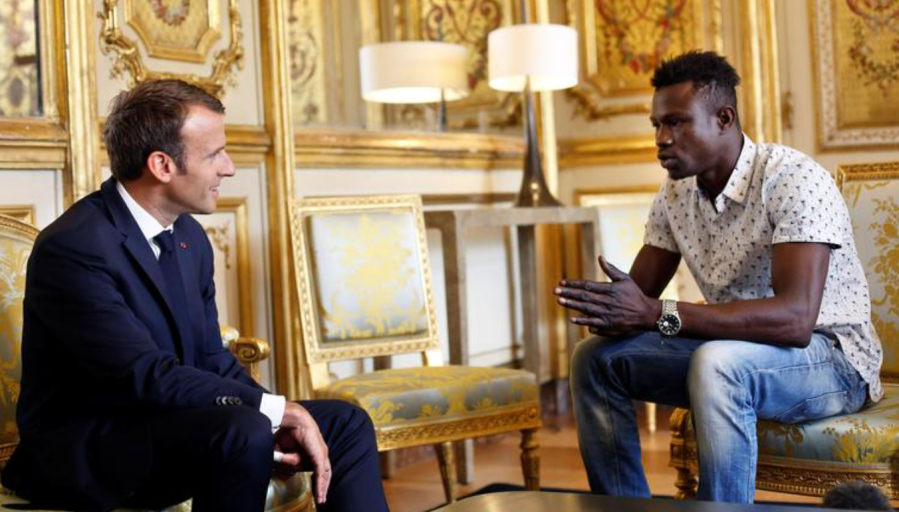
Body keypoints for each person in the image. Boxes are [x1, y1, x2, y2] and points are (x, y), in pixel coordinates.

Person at [2, 79, 390, 512]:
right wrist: (273, 412)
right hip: (95, 451)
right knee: (245, 430)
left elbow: (211, 356)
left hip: (177, 426)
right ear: (162, 165)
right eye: (214, 154)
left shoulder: (188, 236)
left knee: (345, 422)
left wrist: (277, 414)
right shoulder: (75, 247)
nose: (229, 168)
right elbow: (146, 376)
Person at [555, 51, 881, 504]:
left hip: (830, 361)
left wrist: (655, 313)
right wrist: (609, 310)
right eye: (656, 126)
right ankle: (622, 506)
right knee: (594, 358)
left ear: (724, 118)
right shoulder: (675, 195)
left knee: (718, 363)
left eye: (676, 123)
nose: (661, 140)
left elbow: (794, 321)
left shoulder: (793, 179)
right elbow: (639, 303)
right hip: (730, 353)